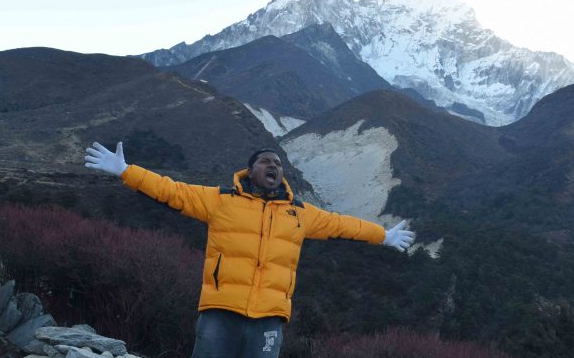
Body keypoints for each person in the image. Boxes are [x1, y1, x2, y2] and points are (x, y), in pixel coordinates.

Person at [83, 142, 415, 358]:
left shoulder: (300, 213)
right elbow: (173, 192)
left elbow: (344, 225)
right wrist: (127, 172)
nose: (274, 167)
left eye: (279, 164)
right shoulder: (220, 201)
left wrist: (383, 236)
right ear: (250, 170)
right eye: (266, 162)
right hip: (221, 309)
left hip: (269, 317)